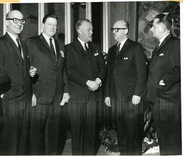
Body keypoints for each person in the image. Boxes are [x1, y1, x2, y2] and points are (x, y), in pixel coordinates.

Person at [25, 14, 69, 155]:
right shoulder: (32, 42)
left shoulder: (59, 44)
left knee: (53, 133)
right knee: (37, 134)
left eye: (55, 25)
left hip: (57, 97)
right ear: (42, 25)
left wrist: (66, 91)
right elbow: (27, 70)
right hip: (39, 96)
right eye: (49, 24)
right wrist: (31, 93)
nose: (52, 27)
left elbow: (62, 70)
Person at [0, 10, 34, 155]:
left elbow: (21, 69)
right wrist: (3, 94)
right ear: (7, 22)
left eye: (21, 21)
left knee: (23, 142)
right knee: (10, 143)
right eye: (15, 20)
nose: (19, 24)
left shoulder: (23, 44)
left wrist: (30, 72)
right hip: (10, 101)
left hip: (25, 100)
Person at [65, 19, 107, 155]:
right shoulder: (69, 48)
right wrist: (88, 82)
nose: (92, 32)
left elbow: (103, 68)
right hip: (77, 97)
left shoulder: (95, 47)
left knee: (91, 131)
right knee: (76, 132)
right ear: (79, 30)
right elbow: (70, 71)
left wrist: (98, 81)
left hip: (93, 98)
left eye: (92, 29)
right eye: (89, 29)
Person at [105, 20, 147, 155]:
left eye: (117, 29)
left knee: (133, 132)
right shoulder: (111, 50)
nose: (114, 32)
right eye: (113, 29)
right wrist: (107, 95)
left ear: (126, 31)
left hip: (131, 98)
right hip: (116, 98)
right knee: (121, 131)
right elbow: (110, 75)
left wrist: (138, 94)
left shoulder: (136, 47)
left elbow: (142, 73)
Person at [147, 13, 181, 155]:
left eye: (154, 26)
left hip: (169, 102)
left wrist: (165, 80)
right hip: (159, 101)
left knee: (171, 143)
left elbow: (179, 70)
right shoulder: (160, 45)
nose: (151, 30)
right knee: (164, 141)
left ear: (162, 27)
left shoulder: (175, 44)